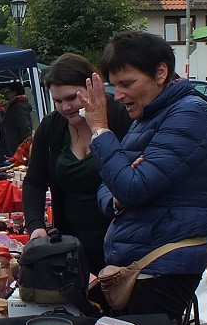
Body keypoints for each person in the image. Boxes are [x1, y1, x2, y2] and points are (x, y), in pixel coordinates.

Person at [79, 30, 207, 325]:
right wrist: (119, 191)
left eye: (128, 82)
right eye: (115, 85)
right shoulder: (149, 118)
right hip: (142, 262)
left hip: (163, 267)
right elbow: (109, 189)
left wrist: (100, 131)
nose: (121, 95)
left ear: (161, 73)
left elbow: (130, 186)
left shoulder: (187, 115)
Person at [23, 54, 131, 277]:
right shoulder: (52, 127)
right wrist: (36, 226)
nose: (66, 107)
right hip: (73, 245)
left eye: (72, 97)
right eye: (58, 101)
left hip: (122, 241)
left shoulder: (120, 117)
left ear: (92, 85)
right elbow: (34, 181)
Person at [0, 81, 34, 157]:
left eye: (9, 92)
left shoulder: (18, 106)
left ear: (14, 92)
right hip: (16, 145)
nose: (8, 94)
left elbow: (25, 127)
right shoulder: (17, 105)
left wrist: (25, 147)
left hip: (17, 146)